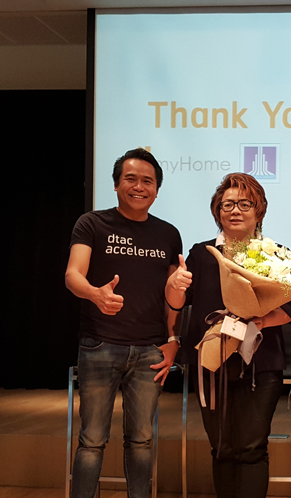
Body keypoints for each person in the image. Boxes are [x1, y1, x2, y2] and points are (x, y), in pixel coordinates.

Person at [165, 172, 291, 498]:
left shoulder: (278, 254)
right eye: (227, 204)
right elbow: (178, 302)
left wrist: (262, 320)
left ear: (259, 210)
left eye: (244, 204)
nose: (235, 210)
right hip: (211, 365)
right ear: (218, 211)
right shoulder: (201, 254)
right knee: (222, 448)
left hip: (261, 366)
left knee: (252, 448)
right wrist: (173, 286)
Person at [65, 148, 183, 498]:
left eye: (148, 181)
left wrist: (172, 339)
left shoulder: (168, 233)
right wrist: (95, 294)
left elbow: (172, 296)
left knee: (142, 440)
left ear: (157, 190)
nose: (139, 187)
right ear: (116, 184)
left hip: (150, 350)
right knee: (92, 440)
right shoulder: (92, 223)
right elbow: (72, 275)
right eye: (130, 179)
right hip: (100, 344)